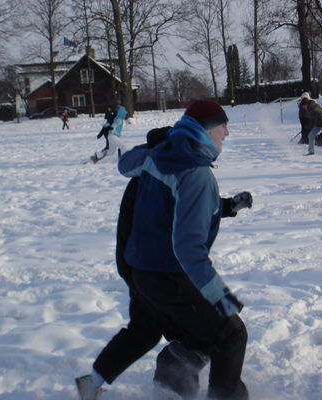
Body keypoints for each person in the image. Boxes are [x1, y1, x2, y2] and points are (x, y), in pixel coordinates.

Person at [105, 99, 252, 400]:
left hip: (147, 272)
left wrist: (228, 206)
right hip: (167, 273)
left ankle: (171, 385)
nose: (227, 132)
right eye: (223, 125)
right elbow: (188, 247)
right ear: (207, 128)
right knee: (230, 332)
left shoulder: (163, 158)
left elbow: (130, 168)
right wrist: (220, 296)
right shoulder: (193, 171)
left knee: (197, 331)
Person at [76, 126, 234, 400]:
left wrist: (228, 206)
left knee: (145, 331)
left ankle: (95, 382)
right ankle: (175, 381)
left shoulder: (152, 176)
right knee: (201, 327)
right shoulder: (151, 181)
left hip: (142, 271)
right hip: (150, 272)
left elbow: (193, 203)